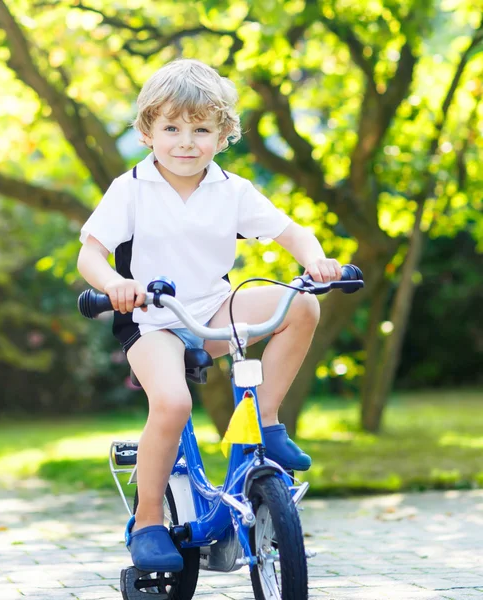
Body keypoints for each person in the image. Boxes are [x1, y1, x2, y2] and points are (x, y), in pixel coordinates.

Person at [77, 59, 341, 573]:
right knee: (173, 403)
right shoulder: (130, 188)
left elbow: (292, 233)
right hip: (153, 319)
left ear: (223, 136)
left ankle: (265, 420)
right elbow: (90, 253)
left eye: (201, 130)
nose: (186, 141)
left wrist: (315, 261)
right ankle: (149, 520)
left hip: (213, 308)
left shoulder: (231, 189)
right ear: (147, 131)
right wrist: (115, 285)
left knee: (301, 303)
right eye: (172, 128)